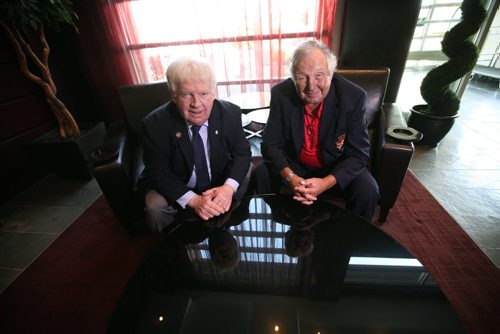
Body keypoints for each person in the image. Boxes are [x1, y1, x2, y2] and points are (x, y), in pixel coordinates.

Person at [255, 40, 379, 221]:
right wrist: (290, 178)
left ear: (331, 74)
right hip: (295, 165)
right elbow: (270, 144)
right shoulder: (281, 94)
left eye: (319, 75)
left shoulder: (353, 97)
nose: (311, 86)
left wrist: (325, 183)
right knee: (262, 173)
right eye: (302, 77)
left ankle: (353, 238)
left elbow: (358, 154)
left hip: (334, 167)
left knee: (367, 191)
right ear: (293, 78)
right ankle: (278, 220)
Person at [142, 56, 252, 233]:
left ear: (214, 92)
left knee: (246, 172)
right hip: (178, 185)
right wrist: (193, 200)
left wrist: (227, 189)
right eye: (186, 94)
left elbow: (242, 153)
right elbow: (159, 173)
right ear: (173, 95)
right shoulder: (155, 124)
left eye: (203, 94)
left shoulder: (230, 113)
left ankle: (227, 217)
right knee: (154, 205)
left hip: (216, 181)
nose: (196, 104)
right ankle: (168, 245)